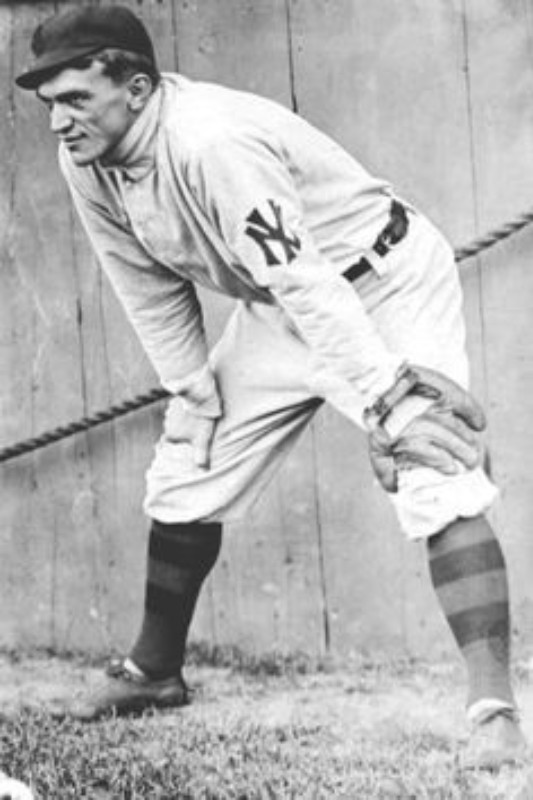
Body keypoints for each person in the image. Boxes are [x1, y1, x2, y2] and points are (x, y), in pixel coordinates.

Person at [15, 5, 528, 769]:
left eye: (76, 99)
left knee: (431, 466)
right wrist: (191, 390)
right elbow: (142, 281)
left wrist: (385, 395)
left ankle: (492, 710)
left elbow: (306, 277)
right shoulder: (85, 159)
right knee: (187, 466)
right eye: (50, 103)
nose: (59, 121)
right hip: (278, 306)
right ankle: (154, 673)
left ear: (137, 87)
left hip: (380, 283)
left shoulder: (210, 141)